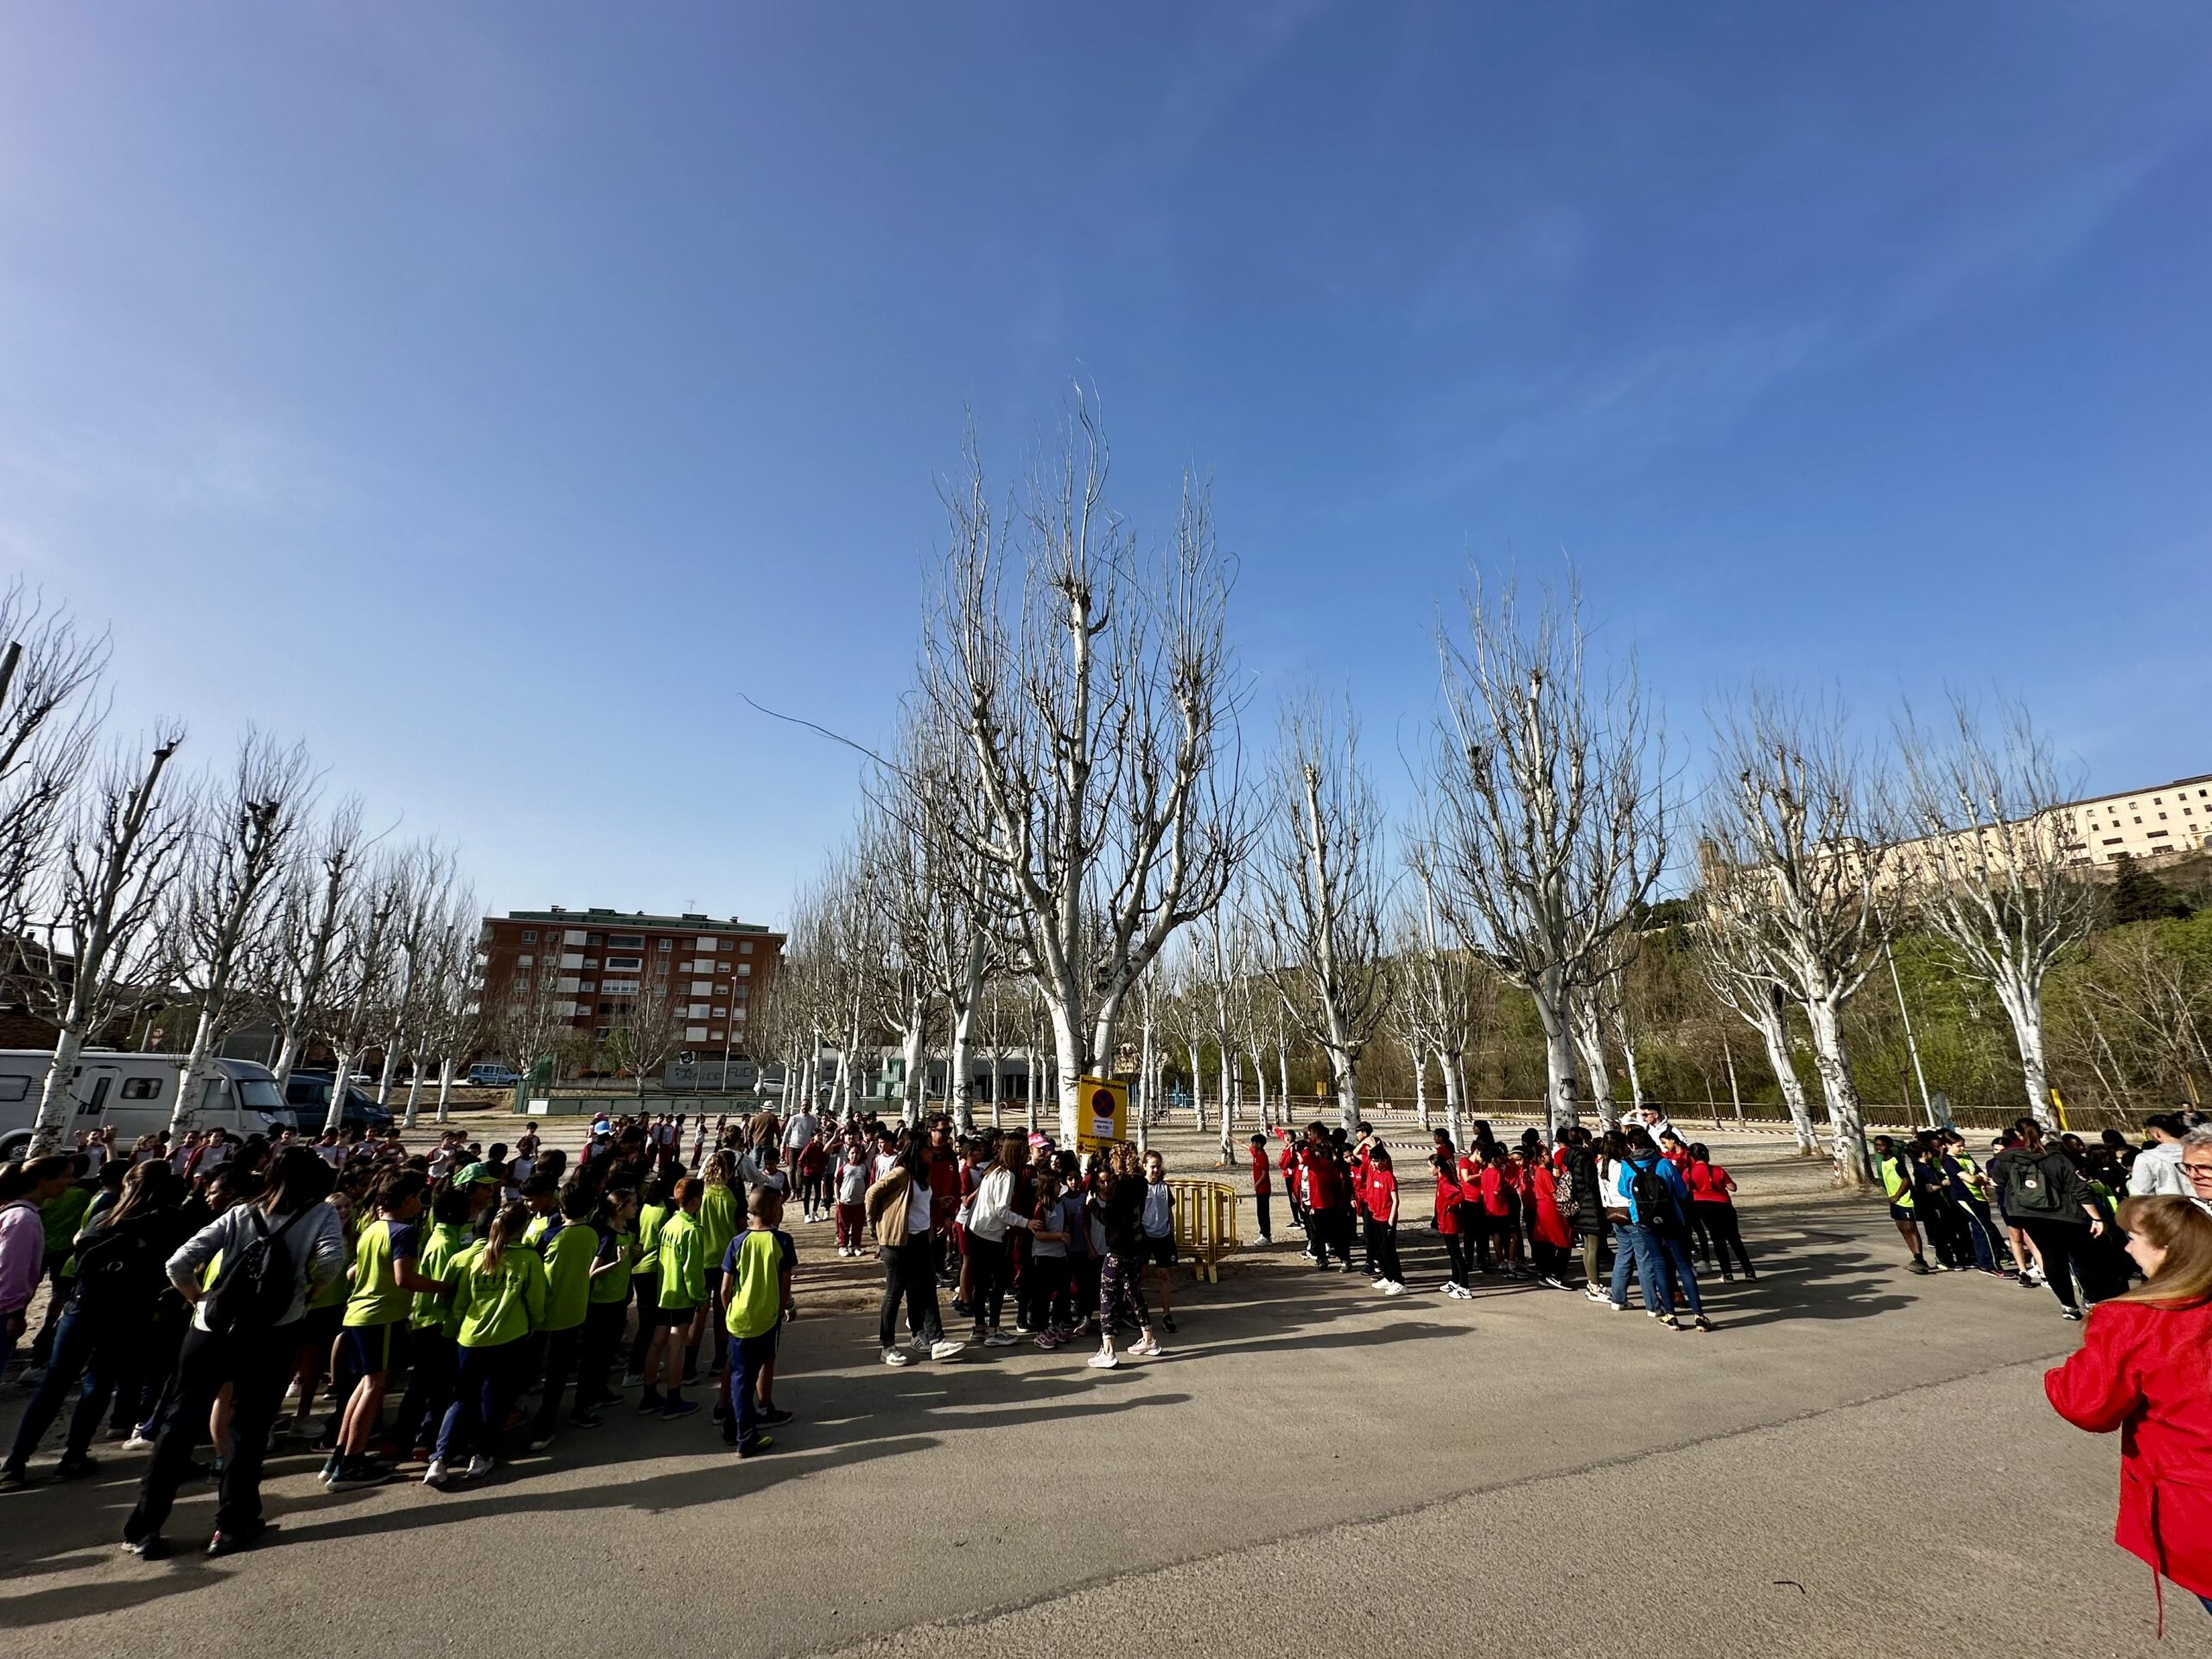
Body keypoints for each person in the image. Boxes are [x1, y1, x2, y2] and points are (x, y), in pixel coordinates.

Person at [123, 1145, 346, 1560]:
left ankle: (144, 1527)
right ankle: (232, 1523)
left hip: (211, 1329)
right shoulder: (320, 1214)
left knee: (178, 1424)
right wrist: (307, 1295)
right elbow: (332, 1262)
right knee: (249, 1427)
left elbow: (179, 1263)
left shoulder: (241, 1212)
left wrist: (198, 1299)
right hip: (272, 1331)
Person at [2044, 1196, 2212, 1631]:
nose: (2126, 1247)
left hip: (2196, 1501)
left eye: (2134, 1238)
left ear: (2168, 1251)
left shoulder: (2133, 1319)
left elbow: (2088, 1406)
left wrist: (2058, 1375)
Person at [2, 1160, 187, 1488]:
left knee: (53, 1386)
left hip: (80, 1309)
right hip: (126, 1315)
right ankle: (73, 1456)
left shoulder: (105, 1218)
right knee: (97, 1384)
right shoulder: (166, 1222)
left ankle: (15, 1463)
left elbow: (80, 1255)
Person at [329, 1168, 448, 1491]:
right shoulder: (402, 1232)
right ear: (408, 1199)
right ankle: (351, 1463)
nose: (421, 1206)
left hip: (359, 1313)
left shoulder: (372, 1227)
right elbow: (404, 1278)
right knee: (374, 1386)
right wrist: (443, 1287)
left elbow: (354, 1273)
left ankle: (340, 1455)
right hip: (379, 1317)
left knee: (365, 1385)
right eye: (419, 1200)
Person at [426, 1201, 546, 1488]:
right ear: (522, 1228)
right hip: (508, 1335)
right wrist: (534, 1324)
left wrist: (453, 1329)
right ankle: (482, 1453)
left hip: (470, 1336)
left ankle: (440, 1458)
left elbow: (456, 1302)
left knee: (462, 1396)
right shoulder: (527, 1259)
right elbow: (536, 1299)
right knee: (495, 1397)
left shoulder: (472, 1258)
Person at [1991, 1118, 2121, 1319]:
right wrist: (2096, 1217)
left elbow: (1997, 1181)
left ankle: (2067, 1305)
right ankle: (2092, 1298)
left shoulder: (2007, 1158)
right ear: (2041, 1134)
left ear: (2017, 1135)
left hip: (2028, 1214)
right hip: (2066, 1214)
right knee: (2082, 1257)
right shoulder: (2056, 1158)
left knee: (2051, 1258)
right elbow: (2077, 1187)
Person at [868, 1138, 963, 1367]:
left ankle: (935, 1339)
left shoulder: (922, 1175)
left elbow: (914, 1202)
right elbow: (872, 1193)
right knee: (894, 1292)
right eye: (928, 1150)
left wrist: (938, 1202)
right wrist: (874, 1225)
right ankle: (887, 1345)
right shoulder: (901, 1173)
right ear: (918, 1152)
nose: (932, 1153)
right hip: (899, 1241)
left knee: (927, 1288)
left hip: (922, 1237)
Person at [718, 1185, 796, 1456]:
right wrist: (784, 1308)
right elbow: (784, 1285)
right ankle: (746, 1437)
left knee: (742, 1374)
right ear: (774, 1210)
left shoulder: (737, 1242)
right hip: (765, 1319)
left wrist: (730, 1312)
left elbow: (725, 1289)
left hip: (738, 1318)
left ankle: (732, 1426)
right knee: (745, 1378)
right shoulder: (782, 1241)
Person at [528, 1183, 601, 1449]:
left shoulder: (550, 1236)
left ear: (561, 1208)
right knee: (558, 1373)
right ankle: (547, 1423)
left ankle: (530, 1420)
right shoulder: (591, 1235)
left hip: (543, 1311)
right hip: (574, 1310)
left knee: (534, 1368)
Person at [1088, 1147, 1162, 1370]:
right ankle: (1148, 1338)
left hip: (1118, 1248)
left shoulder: (1117, 1186)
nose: (1111, 1162)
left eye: (1113, 1158)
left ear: (1118, 1160)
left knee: (1107, 1293)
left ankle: (1108, 1349)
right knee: (1133, 1290)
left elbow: (1108, 1218)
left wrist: (1092, 1204)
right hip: (1136, 1246)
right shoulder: (1140, 1182)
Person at [1, 1157, 74, 1380]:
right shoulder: (23, 1219)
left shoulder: (21, 1214)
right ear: (44, 1181)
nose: (71, 1181)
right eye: (66, 1176)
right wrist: (16, 1314)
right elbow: (10, 1272)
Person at [639, 1177, 706, 1418]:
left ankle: (649, 1395)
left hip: (663, 1291)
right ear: (696, 1200)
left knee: (657, 1340)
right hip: (680, 1295)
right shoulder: (692, 1229)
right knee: (677, 1342)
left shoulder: (669, 1224)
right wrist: (699, 1297)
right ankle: (674, 1397)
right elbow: (692, 1269)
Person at [1685, 1144, 1756, 1281]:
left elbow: (1685, 1191)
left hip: (1704, 1207)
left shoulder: (1689, 1172)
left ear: (1692, 1157)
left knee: (1718, 1241)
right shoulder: (1717, 1170)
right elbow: (1732, 1187)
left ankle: (1727, 1273)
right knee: (1735, 1240)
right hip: (1724, 1206)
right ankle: (1749, 1271)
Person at [1873, 1135, 1932, 1274]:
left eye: (1882, 1145)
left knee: (1911, 1229)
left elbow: (1906, 1180)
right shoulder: (1884, 1162)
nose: (1878, 1148)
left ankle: (1920, 1258)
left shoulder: (1896, 1161)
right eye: (1877, 1145)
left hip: (1904, 1200)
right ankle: (1915, 1257)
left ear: (1890, 1146)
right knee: (1902, 1229)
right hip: (1894, 1202)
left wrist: (1897, 1195)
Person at [1139, 1150, 1178, 1332]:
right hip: (1145, 1236)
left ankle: (1167, 1314)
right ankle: (1139, 1312)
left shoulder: (1164, 1187)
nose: (1155, 1170)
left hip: (1163, 1236)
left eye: (1158, 1166)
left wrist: (1172, 1232)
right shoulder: (1139, 1186)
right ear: (1144, 1166)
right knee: (1141, 1274)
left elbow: (1169, 1210)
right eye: (1152, 1166)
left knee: (1164, 1274)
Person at [1363, 1147, 1406, 1294]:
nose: (1373, 1164)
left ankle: (1400, 1281)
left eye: (1376, 1161)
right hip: (1375, 1216)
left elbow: (1395, 1200)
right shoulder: (1374, 1173)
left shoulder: (1388, 1176)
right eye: (1372, 1161)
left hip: (1386, 1218)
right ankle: (1388, 1277)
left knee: (1389, 1251)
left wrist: (1391, 1219)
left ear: (1384, 1161)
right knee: (1380, 1250)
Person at [2130, 1115, 2194, 1198]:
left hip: (2169, 1208)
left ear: (2157, 1134)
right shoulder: (2201, 1152)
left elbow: (2140, 1194)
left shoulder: (2146, 1158)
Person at [1248, 1133, 1273, 1244]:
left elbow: (1264, 1174)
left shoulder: (1262, 1156)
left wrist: (1257, 1184)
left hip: (1264, 1188)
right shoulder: (1256, 1153)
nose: (1252, 1145)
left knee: (1263, 1213)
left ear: (1259, 1144)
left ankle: (1266, 1235)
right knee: (1260, 1212)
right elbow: (1245, 1146)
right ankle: (1263, 1233)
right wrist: (1233, 1139)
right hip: (1259, 1189)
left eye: (1253, 1143)